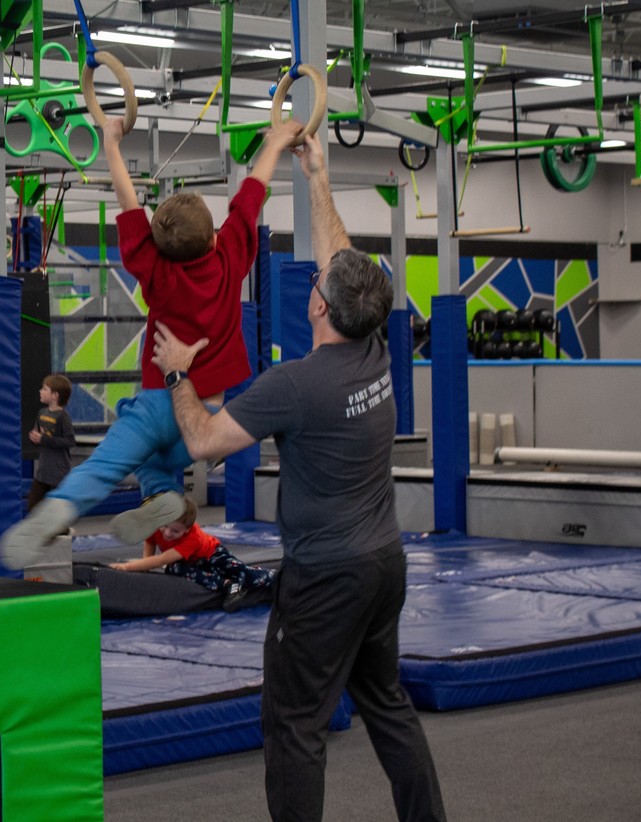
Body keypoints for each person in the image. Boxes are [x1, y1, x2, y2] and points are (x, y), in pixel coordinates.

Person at [150, 131, 446, 821]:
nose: (317, 280)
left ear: (318, 308)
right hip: (382, 564)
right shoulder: (376, 346)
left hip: (325, 581)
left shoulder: (296, 385)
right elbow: (340, 259)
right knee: (387, 705)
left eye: (318, 284)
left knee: (294, 727)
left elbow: (202, 440)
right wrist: (316, 174)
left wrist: (175, 369)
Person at [0, 116, 304, 571]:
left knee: (107, 464)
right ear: (215, 237)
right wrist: (276, 141)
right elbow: (250, 197)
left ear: (156, 248)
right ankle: (165, 498)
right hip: (208, 418)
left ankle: (60, 508)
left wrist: (113, 144)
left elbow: (128, 205)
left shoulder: (155, 271)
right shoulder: (232, 255)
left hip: (160, 401)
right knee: (157, 465)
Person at [109, 495, 274, 610]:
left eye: (175, 532)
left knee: (239, 572)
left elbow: (161, 560)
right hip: (188, 562)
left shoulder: (193, 537)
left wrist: (128, 567)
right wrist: (144, 564)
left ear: (187, 530)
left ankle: (273, 577)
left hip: (212, 554)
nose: (167, 533)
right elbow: (150, 541)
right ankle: (228, 585)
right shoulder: (157, 524)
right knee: (174, 569)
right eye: (165, 526)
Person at [27, 373, 76, 511]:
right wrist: (35, 438)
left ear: (55, 395)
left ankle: (63, 530)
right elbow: (39, 435)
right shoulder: (42, 413)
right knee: (33, 506)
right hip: (43, 471)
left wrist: (44, 439)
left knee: (58, 509)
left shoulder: (62, 417)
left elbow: (70, 441)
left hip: (58, 472)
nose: (40, 391)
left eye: (44, 389)